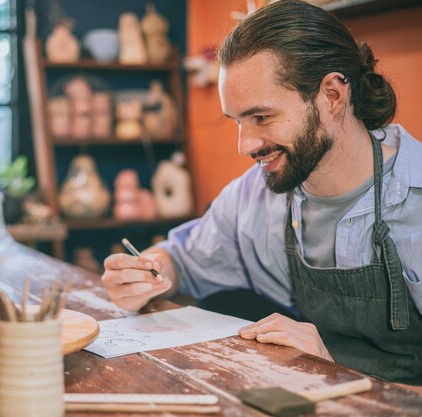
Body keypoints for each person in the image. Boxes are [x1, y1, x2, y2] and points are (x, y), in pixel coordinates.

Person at [101, 0, 422, 386]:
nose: (245, 144)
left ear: (332, 96)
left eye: (262, 117)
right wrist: (146, 273)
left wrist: (341, 373)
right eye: (237, 121)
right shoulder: (259, 195)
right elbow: (181, 259)